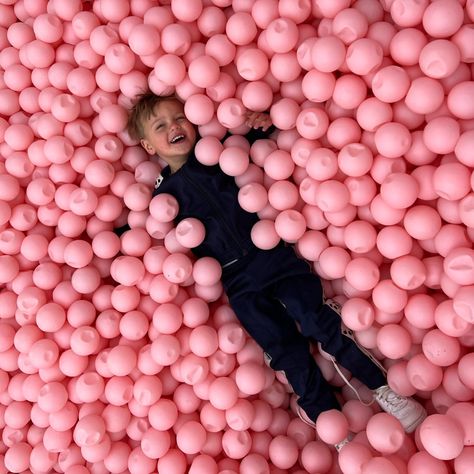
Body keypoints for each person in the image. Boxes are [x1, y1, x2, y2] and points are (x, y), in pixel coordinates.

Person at [125, 91, 427, 443]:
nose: (174, 127)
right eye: (161, 126)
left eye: (178, 118)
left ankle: (382, 388)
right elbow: (150, 228)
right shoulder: (163, 193)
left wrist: (261, 121)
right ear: (149, 146)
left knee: (319, 319)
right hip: (236, 280)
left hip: (271, 253)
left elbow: (254, 143)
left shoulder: (216, 151)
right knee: (283, 347)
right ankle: (325, 416)